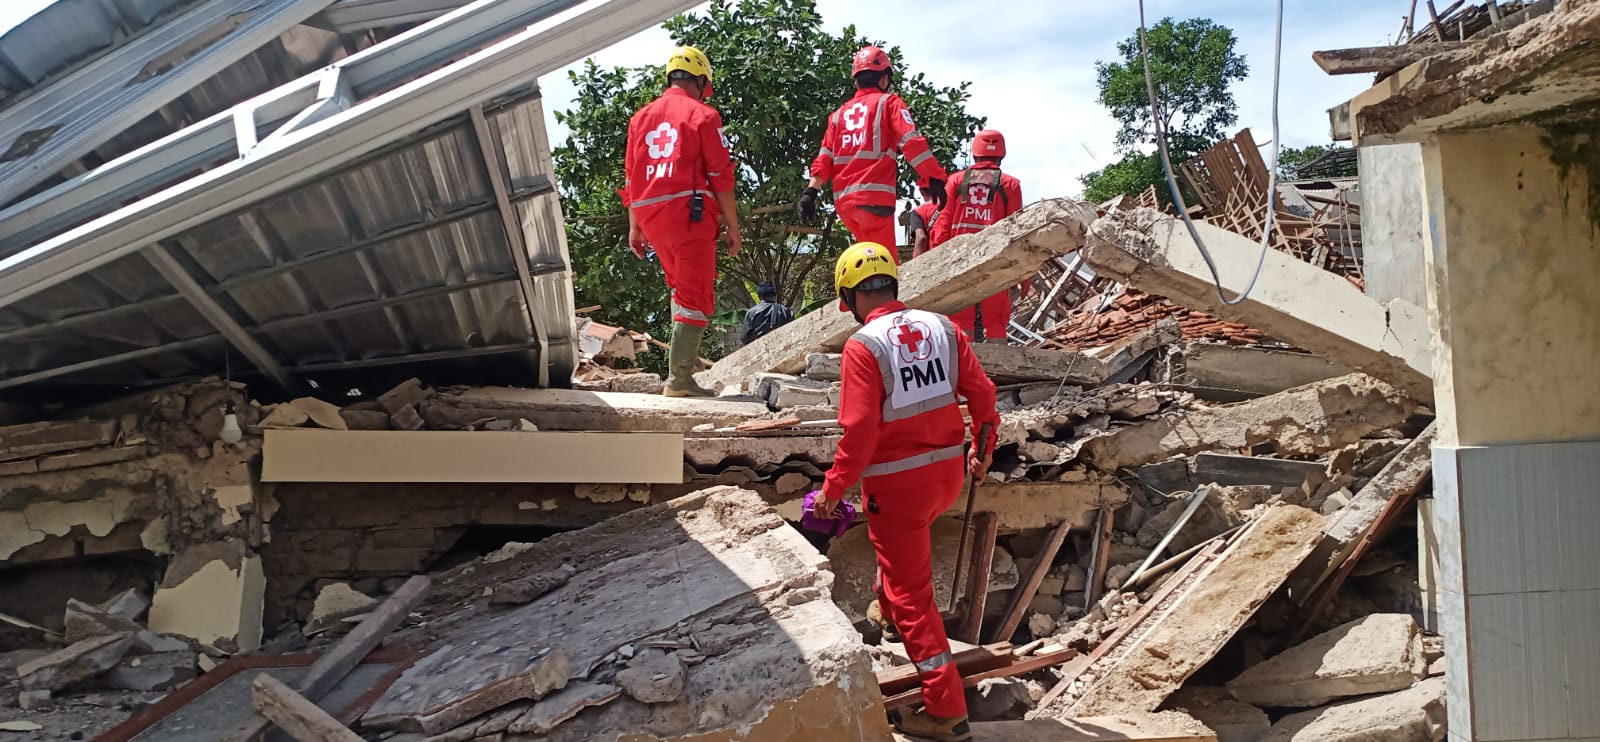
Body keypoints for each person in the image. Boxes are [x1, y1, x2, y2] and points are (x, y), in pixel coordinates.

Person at [808, 241, 999, 742]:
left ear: (847, 297)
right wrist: (983, 451)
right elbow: (983, 395)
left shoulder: (863, 347)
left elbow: (859, 433)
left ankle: (946, 709)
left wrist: (832, 490)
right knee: (896, 559)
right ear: (893, 284)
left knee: (913, 595)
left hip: (897, 488)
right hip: (947, 476)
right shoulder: (943, 328)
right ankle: (889, 616)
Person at [621, 46, 742, 397]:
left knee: (680, 288)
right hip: (687, 213)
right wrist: (733, 224)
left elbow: (631, 177)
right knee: (697, 294)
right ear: (701, 81)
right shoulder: (703, 115)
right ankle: (679, 380)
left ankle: (682, 373)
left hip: (649, 213)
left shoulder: (639, 118)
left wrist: (635, 226)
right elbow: (720, 174)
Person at [799, 45, 948, 252]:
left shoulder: (838, 116)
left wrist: (810, 192)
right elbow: (912, 143)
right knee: (884, 264)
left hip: (845, 204)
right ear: (884, 79)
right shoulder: (889, 103)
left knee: (866, 259)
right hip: (875, 200)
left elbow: (825, 158)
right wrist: (935, 177)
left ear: (856, 80)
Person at [931, 129, 1023, 343]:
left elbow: (942, 227)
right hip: (996, 261)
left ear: (975, 153)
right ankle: (997, 362)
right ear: (1002, 153)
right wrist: (1020, 275)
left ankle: (963, 358)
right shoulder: (1011, 185)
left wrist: (938, 263)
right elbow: (1018, 231)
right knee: (996, 322)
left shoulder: (955, 181)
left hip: (959, 261)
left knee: (960, 321)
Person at [907, 176, 942, 258]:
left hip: (932, 257)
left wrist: (918, 262)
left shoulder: (918, 211)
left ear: (922, 192)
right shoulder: (950, 205)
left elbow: (921, 237)